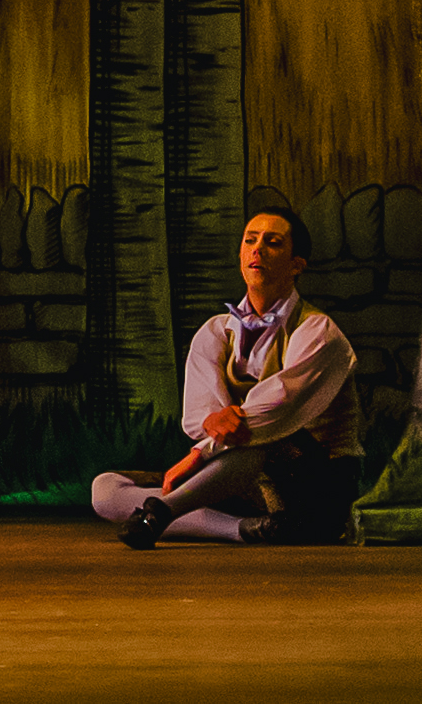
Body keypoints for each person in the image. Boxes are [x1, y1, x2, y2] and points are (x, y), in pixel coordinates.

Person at [92, 207, 362, 546]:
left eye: (273, 242)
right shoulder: (218, 330)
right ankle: (243, 529)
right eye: (250, 240)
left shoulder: (317, 331)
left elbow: (275, 408)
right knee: (104, 489)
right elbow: (199, 418)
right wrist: (209, 439)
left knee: (250, 440)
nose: (257, 249)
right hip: (239, 480)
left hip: (313, 483)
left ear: (296, 265)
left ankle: (158, 513)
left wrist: (200, 454)